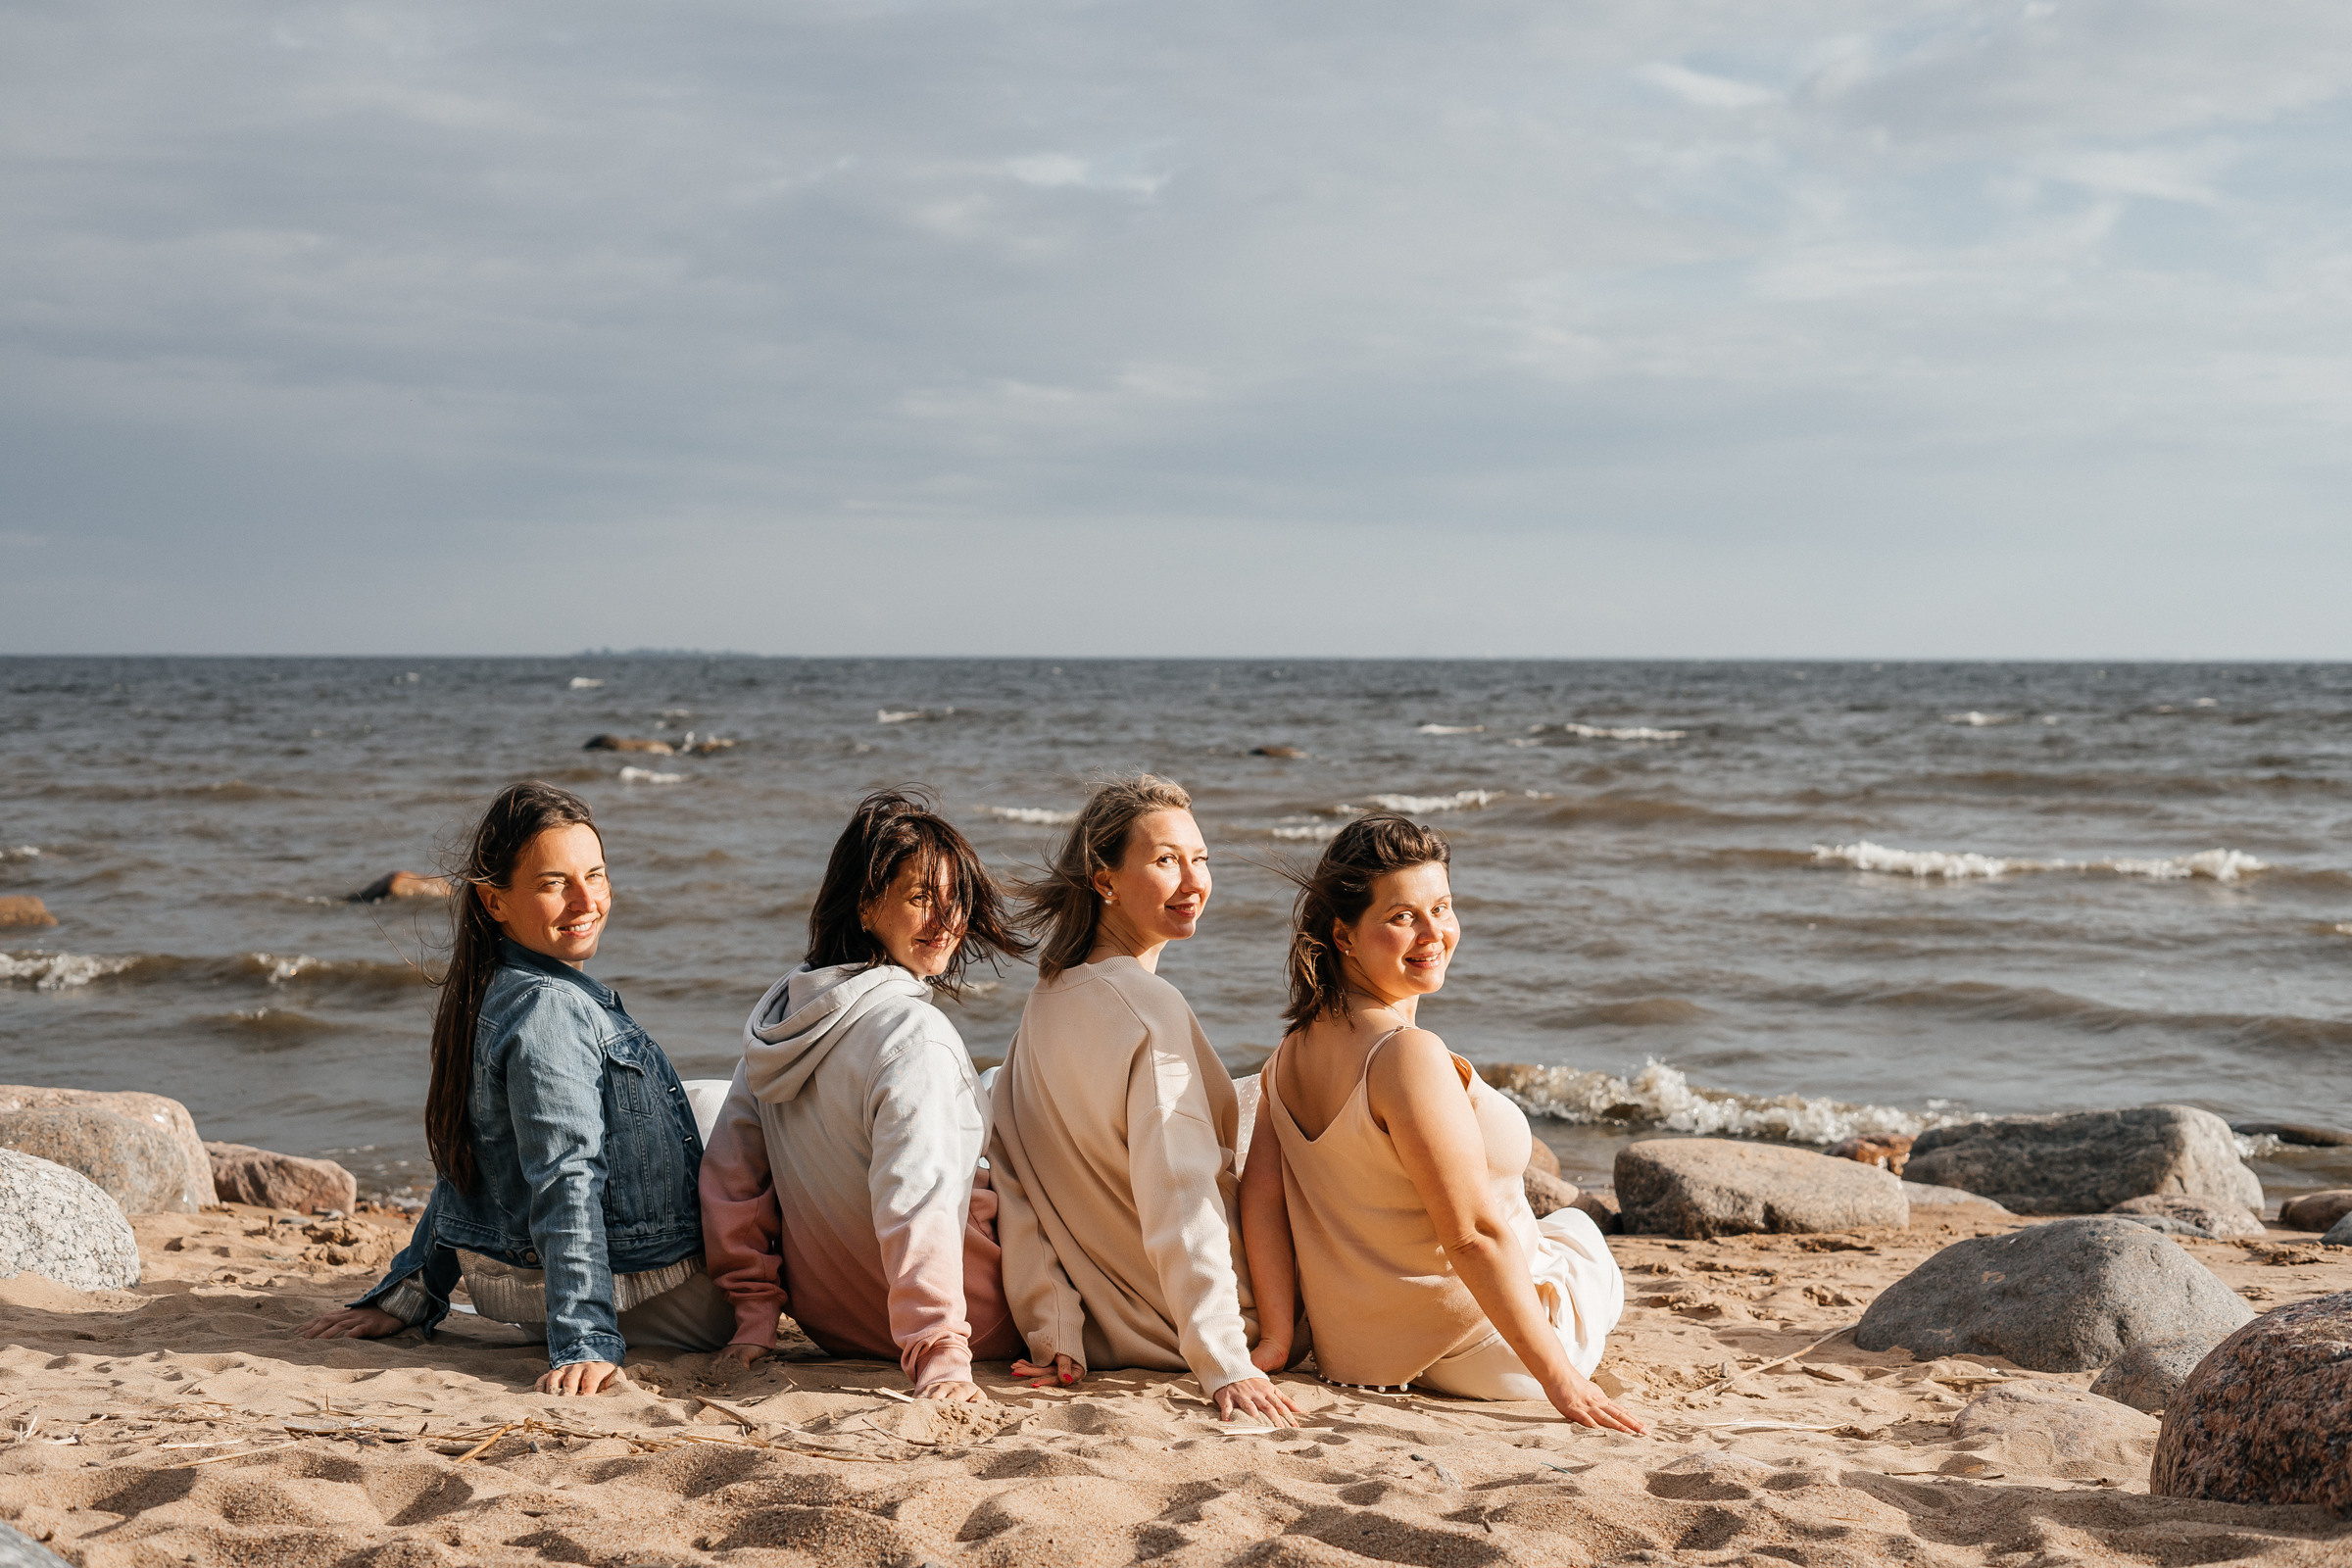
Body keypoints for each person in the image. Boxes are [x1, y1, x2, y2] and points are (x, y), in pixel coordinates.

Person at [299, 781, 729, 1394]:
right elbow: (564, 1175)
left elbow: (472, 1162)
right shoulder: (551, 1011)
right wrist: (584, 1339)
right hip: (654, 1301)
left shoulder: (495, 988)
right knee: (752, 1115)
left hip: (536, 1297)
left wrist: (412, 1291)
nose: (587, 900)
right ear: (493, 902)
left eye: (596, 875)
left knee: (703, 1100)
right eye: (554, 883)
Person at [1239, 814, 1642, 1431]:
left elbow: (1261, 1197)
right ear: (1344, 936)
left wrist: (1275, 1335)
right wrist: (1565, 1383)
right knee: (1580, 1232)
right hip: (1485, 1353)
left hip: (1359, 1358)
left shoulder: (1290, 1052)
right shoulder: (1404, 1055)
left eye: (1443, 907)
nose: (1435, 933)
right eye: (1403, 917)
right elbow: (1471, 1236)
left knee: (1558, 1232)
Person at [986, 774, 1298, 1426]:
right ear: (1104, 881)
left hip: (1111, 1324)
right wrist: (1225, 1361)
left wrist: (1055, 1329)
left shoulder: (1047, 998)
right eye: (1165, 861)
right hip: (1215, 1319)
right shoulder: (1149, 1010)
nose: (1194, 882)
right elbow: (1180, 1192)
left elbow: (1016, 1177)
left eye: (1200, 859)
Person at [699, 789, 1028, 1400]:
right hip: (976, 1322)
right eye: (921, 897)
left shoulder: (782, 1023)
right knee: (1020, 1095)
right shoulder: (915, 1036)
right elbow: (916, 1197)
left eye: (956, 899)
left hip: (834, 1323)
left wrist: (754, 1321)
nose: (948, 921)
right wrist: (940, 1350)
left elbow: (730, 1180)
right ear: (865, 904)